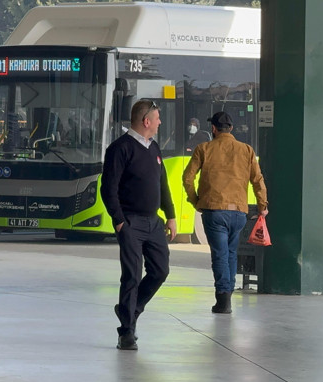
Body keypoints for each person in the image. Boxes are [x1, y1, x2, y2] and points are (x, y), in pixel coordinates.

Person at [100, 99, 177, 351]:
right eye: (157, 119)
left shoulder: (154, 148)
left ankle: (131, 309)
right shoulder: (119, 149)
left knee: (160, 270)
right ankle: (127, 333)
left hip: (154, 222)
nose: (159, 123)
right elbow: (108, 189)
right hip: (130, 222)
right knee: (132, 274)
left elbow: (162, 183)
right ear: (146, 121)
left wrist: (170, 215)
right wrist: (120, 221)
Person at [182, 111, 268, 314]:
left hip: (214, 211)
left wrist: (196, 201)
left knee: (220, 255)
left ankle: (223, 300)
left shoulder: (203, 149)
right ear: (231, 129)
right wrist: (262, 206)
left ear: (213, 129)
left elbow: (187, 179)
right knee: (230, 254)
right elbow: (258, 181)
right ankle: (227, 294)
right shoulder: (247, 150)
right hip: (239, 213)